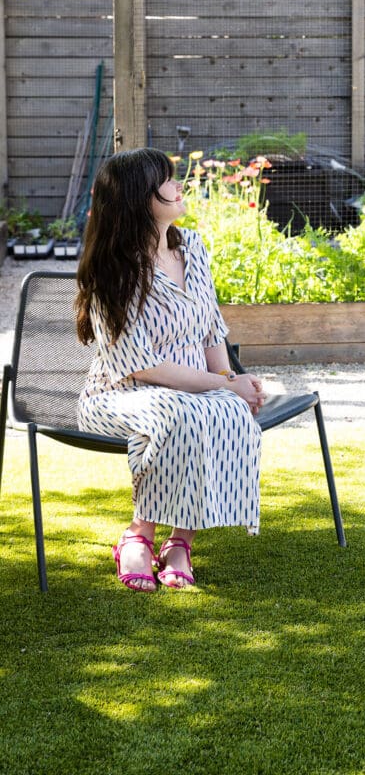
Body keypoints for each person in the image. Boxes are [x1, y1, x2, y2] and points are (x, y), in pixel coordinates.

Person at [75, 148, 266, 592]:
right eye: (167, 180)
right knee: (178, 411)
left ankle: (180, 542)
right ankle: (138, 534)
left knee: (224, 410)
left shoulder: (192, 247)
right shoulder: (112, 270)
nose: (179, 186)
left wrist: (229, 381)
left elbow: (211, 330)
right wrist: (224, 385)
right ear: (140, 198)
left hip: (188, 388)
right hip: (118, 395)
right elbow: (142, 368)